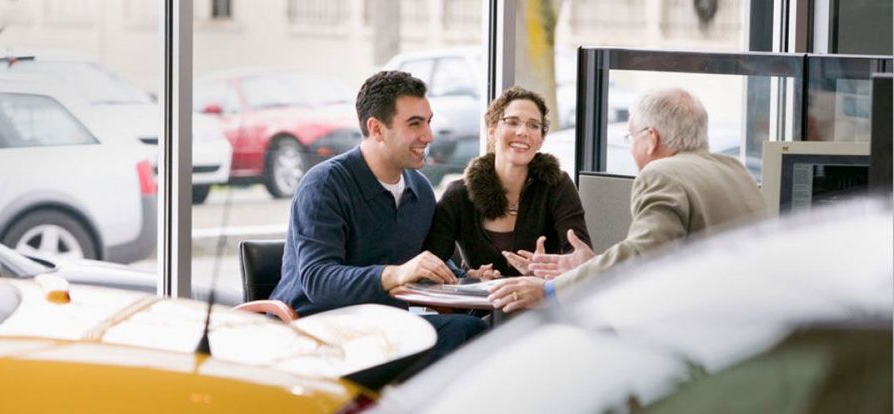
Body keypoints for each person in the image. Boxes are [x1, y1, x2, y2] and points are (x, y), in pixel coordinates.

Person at [488, 87, 766, 312]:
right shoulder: (735, 170)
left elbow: (642, 255)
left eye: (631, 137)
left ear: (651, 138)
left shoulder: (662, 172)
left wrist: (550, 290)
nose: (632, 148)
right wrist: (589, 266)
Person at [271, 70, 486, 360]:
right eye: (415, 124)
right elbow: (318, 280)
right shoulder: (324, 185)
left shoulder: (419, 190)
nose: (429, 135)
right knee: (465, 332)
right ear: (377, 129)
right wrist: (396, 274)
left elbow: (420, 260)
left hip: (383, 329)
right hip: (318, 334)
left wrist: (466, 278)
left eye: (428, 122)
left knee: (483, 330)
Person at [424, 86, 591, 279]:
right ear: (492, 130)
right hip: (478, 307)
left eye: (534, 125)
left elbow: (580, 259)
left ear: (541, 140)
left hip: (541, 305)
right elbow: (431, 263)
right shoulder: (458, 194)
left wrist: (546, 273)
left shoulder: (557, 186)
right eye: (512, 122)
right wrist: (467, 277)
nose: (523, 131)